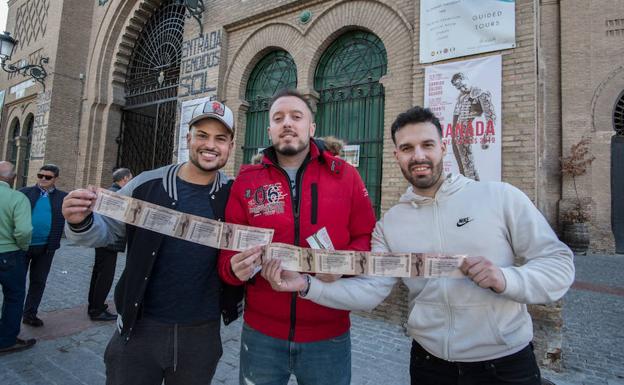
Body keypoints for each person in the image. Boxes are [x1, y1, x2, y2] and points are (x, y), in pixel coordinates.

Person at [263, 106, 575, 385]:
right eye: (407, 148)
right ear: (396, 155)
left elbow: (558, 264)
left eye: (427, 145)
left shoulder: (499, 197)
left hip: (506, 364)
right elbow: (371, 292)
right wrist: (306, 285)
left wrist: (506, 279)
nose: (419, 156)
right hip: (430, 365)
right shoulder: (391, 225)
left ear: (443, 147)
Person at [62, 101, 243, 385]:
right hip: (139, 329)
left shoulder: (234, 195)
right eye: (202, 135)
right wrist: (78, 220)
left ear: (231, 145)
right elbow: (105, 232)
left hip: (201, 334)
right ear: (188, 138)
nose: (210, 145)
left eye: (220, 138)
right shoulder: (147, 184)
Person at [218, 88, 376, 385]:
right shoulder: (247, 180)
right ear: (269, 130)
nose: (287, 123)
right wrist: (233, 270)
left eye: (296, 116)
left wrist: (343, 265)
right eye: (278, 118)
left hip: (329, 335)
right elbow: (228, 251)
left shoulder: (345, 174)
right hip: (261, 335)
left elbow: (364, 236)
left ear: (311, 127)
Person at [20, 164, 68, 327]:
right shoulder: (24, 193)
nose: (43, 179)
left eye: (47, 177)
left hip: (47, 247)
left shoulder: (63, 197)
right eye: (40, 175)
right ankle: (11, 315)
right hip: (22, 246)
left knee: (38, 282)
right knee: (17, 282)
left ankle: (30, 314)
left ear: (55, 179)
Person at [87, 168, 133, 321]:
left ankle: (93, 305)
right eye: (130, 178)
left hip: (102, 240)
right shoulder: (117, 196)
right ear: (125, 179)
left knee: (98, 273)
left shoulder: (108, 192)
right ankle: (97, 309)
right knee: (105, 276)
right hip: (109, 241)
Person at [0, 162, 35, 355]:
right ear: (12, 178)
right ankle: (6, 340)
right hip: (9, 255)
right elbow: (23, 230)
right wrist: (22, 247)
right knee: (14, 297)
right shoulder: (17, 197)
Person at [450, 72, 496, 181]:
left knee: (471, 167)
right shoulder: (461, 98)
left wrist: (487, 137)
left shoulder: (480, 93)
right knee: (466, 168)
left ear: (466, 78)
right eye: (459, 87)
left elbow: (491, 116)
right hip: (460, 137)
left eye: (462, 84)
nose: (462, 88)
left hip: (474, 134)